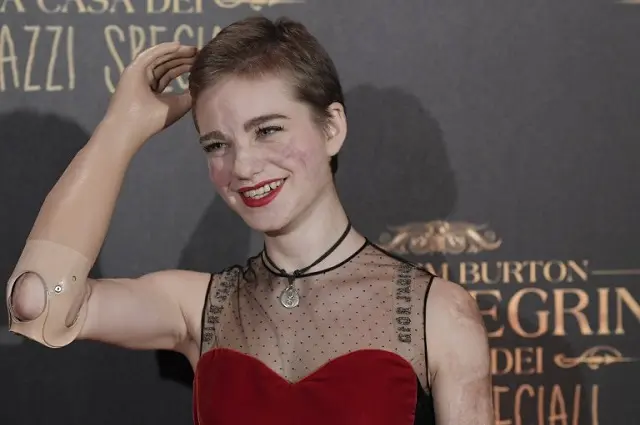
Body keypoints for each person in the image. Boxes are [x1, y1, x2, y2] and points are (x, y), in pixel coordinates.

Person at [6, 16, 494, 425]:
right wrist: (120, 130)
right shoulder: (198, 307)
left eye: (267, 130)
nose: (242, 166)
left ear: (332, 128)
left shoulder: (436, 314)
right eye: (217, 144)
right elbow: (38, 301)